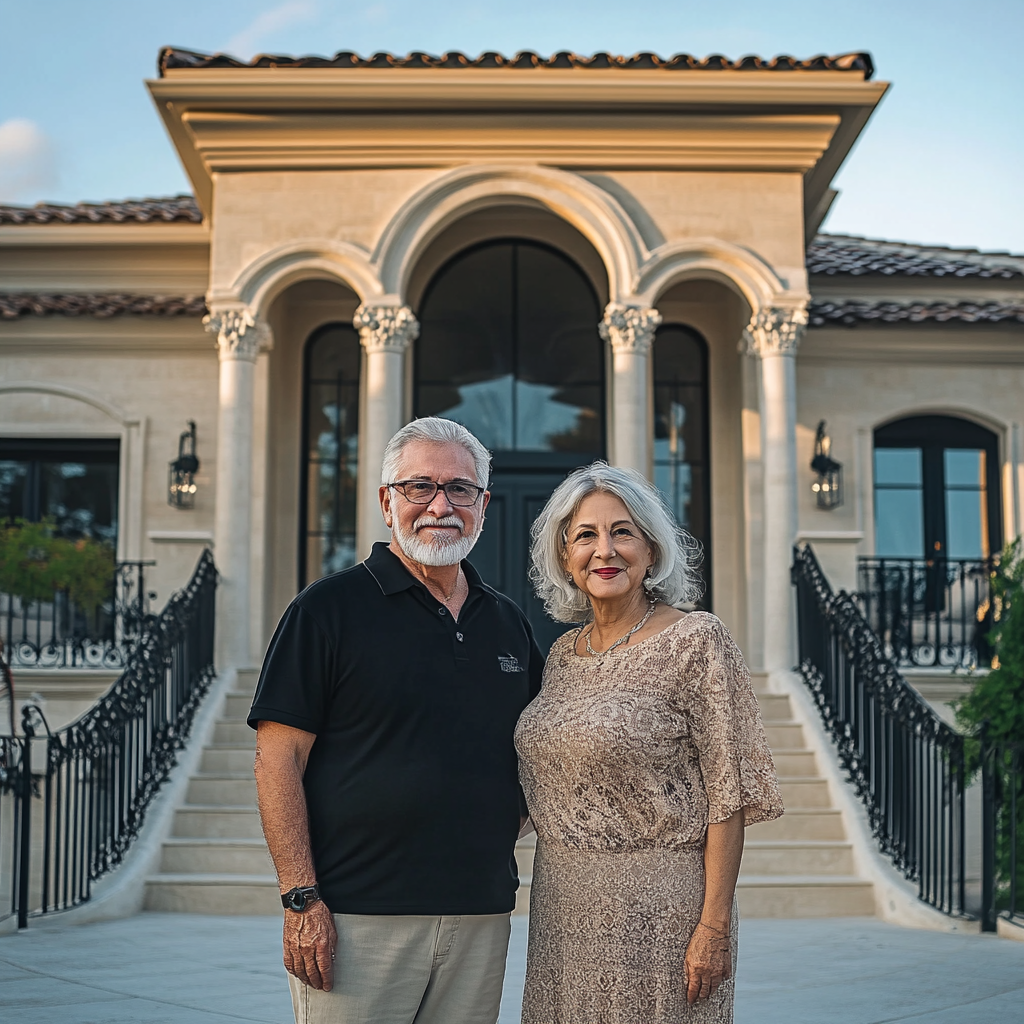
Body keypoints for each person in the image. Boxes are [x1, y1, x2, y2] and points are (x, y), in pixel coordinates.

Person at [249, 417, 543, 1024]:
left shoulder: (507, 622)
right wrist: (301, 899)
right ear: (387, 502)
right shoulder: (325, 610)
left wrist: (494, 826)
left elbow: (543, 748)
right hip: (356, 919)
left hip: (480, 915)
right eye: (419, 487)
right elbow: (279, 759)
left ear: (483, 506)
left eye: (460, 489)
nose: (441, 505)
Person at [515, 462, 783, 1024]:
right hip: (562, 906)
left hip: (662, 911)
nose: (604, 549)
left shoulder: (697, 640)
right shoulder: (563, 655)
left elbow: (727, 797)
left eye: (623, 532)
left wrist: (713, 926)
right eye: (585, 535)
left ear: (653, 551)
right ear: (565, 558)